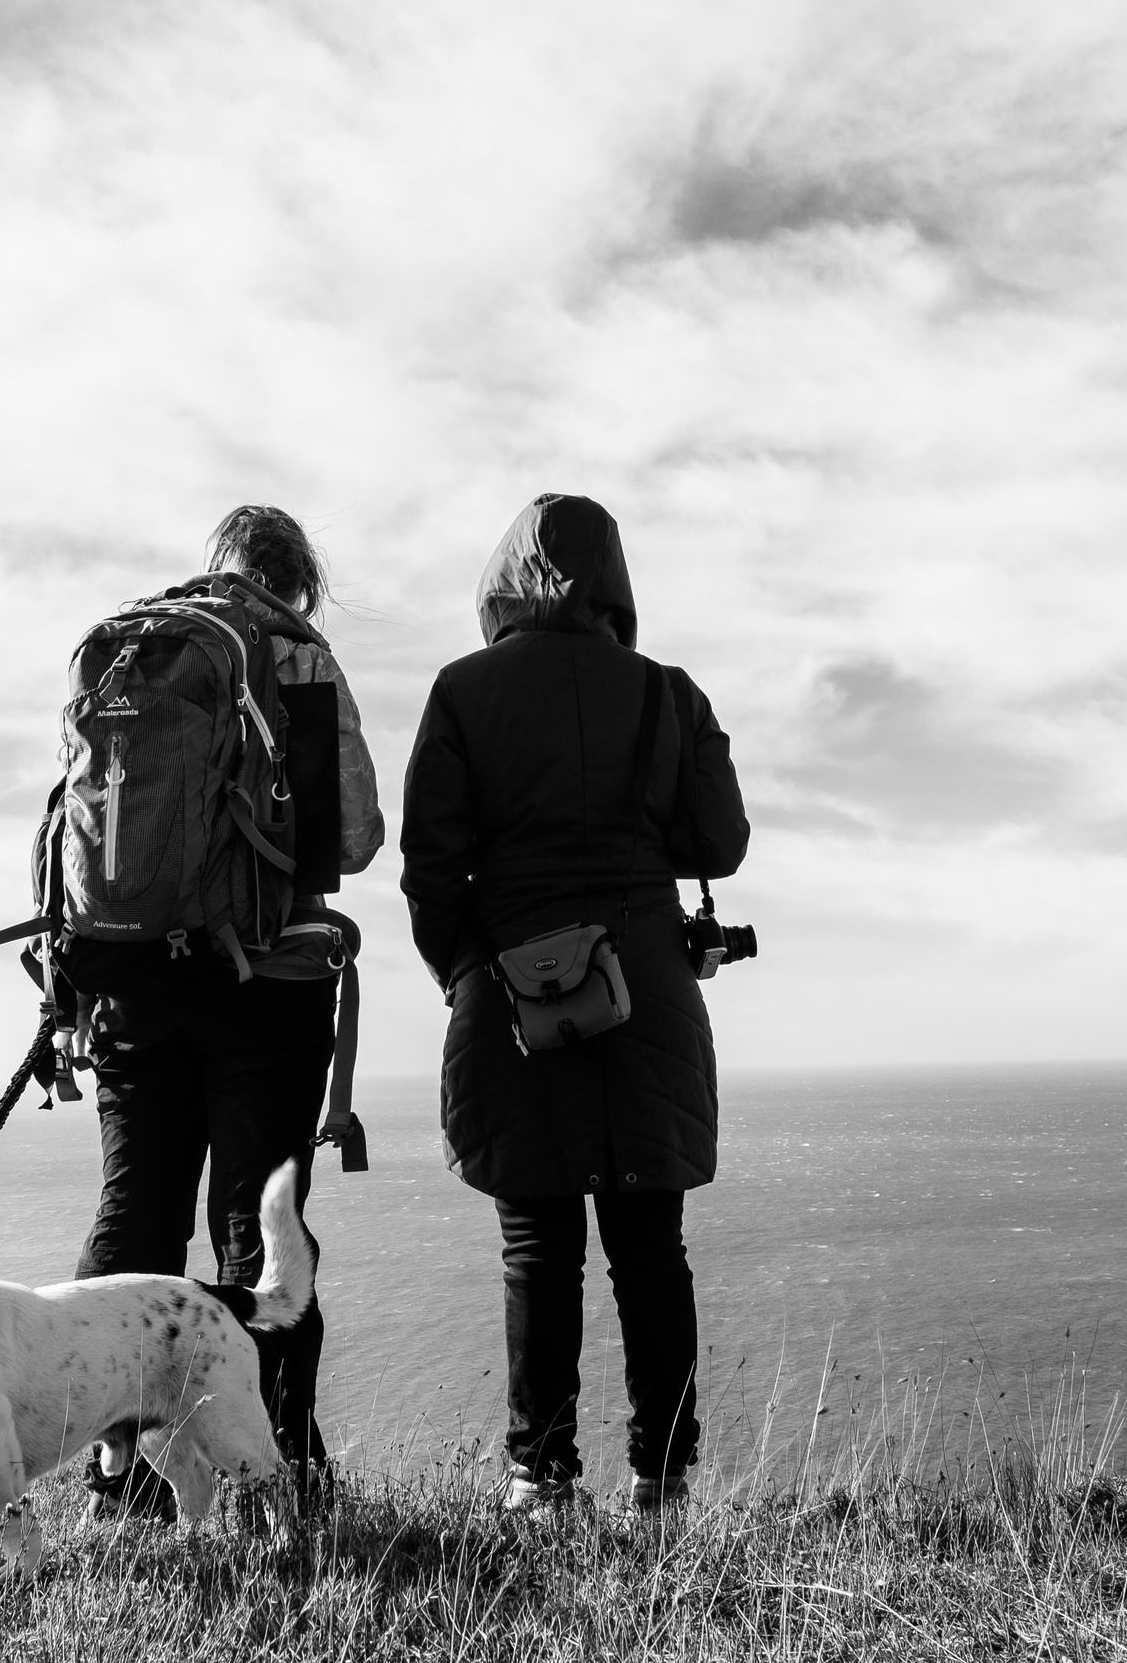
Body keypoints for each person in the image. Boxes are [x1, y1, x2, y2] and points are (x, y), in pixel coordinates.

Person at [398, 493, 749, 1512]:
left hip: (512, 989)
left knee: (536, 1245)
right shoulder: (667, 693)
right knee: (650, 1248)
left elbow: (431, 869)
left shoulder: (463, 690)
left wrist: (469, 975)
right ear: (614, 581)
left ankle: (539, 1479)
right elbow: (717, 845)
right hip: (645, 985)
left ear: (504, 581)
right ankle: (663, 1479)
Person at [72, 504, 383, 1515]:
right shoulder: (294, 654)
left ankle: (115, 1478)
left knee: (131, 1224)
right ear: (298, 583)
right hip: (261, 982)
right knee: (260, 1236)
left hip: (127, 983)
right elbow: (356, 837)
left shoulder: (126, 649)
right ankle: (280, 1474)